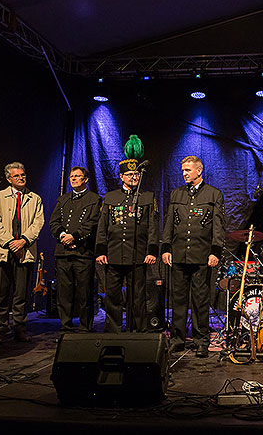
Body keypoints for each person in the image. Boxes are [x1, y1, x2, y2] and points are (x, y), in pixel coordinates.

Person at [161, 156, 226, 357]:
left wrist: (215, 251)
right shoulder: (176, 194)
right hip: (179, 254)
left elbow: (219, 226)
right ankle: (178, 340)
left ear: (199, 171)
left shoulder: (213, 194)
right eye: (182, 170)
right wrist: (165, 248)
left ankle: (201, 342)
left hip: (201, 256)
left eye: (188, 170)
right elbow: (169, 223)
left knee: (200, 301)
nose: (184, 173)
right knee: (178, 301)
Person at [96, 153, 159, 333]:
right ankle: (113, 330)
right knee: (113, 295)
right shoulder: (110, 197)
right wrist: (101, 250)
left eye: (136, 174)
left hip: (138, 255)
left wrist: (151, 251)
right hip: (114, 254)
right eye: (130, 175)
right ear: (121, 177)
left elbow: (153, 228)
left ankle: (138, 330)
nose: (134, 177)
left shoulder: (147, 197)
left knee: (137, 296)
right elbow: (102, 227)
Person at [0, 162, 44, 343]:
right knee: (0, 294)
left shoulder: (34, 198)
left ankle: (20, 327)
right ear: (8, 179)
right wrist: (10, 242)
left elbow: (38, 223)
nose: (21, 178)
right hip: (3, 250)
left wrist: (23, 241)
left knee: (21, 294)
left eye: (23, 175)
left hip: (24, 251)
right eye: (16, 176)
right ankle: (0, 330)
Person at [50, 166, 101, 333]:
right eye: (72, 176)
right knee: (64, 292)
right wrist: (63, 235)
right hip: (63, 252)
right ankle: (66, 325)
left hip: (83, 253)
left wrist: (75, 237)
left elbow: (93, 223)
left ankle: (86, 326)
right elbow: (54, 222)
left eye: (77, 176)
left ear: (85, 179)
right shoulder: (63, 199)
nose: (73, 179)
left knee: (84, 292)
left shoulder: (94, 199)